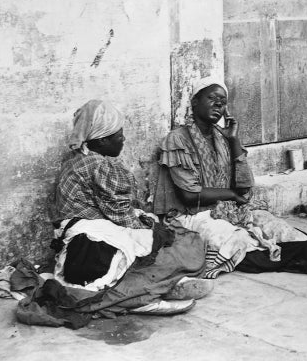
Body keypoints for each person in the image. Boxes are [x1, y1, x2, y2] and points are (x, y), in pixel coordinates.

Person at [153, 77, 307, 282]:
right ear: (194, 102)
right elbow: (190, 195)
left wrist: (234, 142)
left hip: (225, 208)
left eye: (222, 102)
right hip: (192, 216)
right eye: (211, 98)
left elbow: (244, 187)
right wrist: (231, 195)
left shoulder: (223, 139)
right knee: (241, 241)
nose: (218, 105)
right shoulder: (178, 139)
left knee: (279, 228)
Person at [51, 99, 211, 315]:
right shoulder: (100, 166)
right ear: (101, 141)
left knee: (164, 239)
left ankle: (163, 286)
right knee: (177, 243)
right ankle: (146, 295)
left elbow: (111, 208)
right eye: (119, 135)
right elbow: (122, 215)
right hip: (93, 238)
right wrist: (153, 228)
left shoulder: (75, 160)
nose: (123, 139)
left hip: (77, 235)